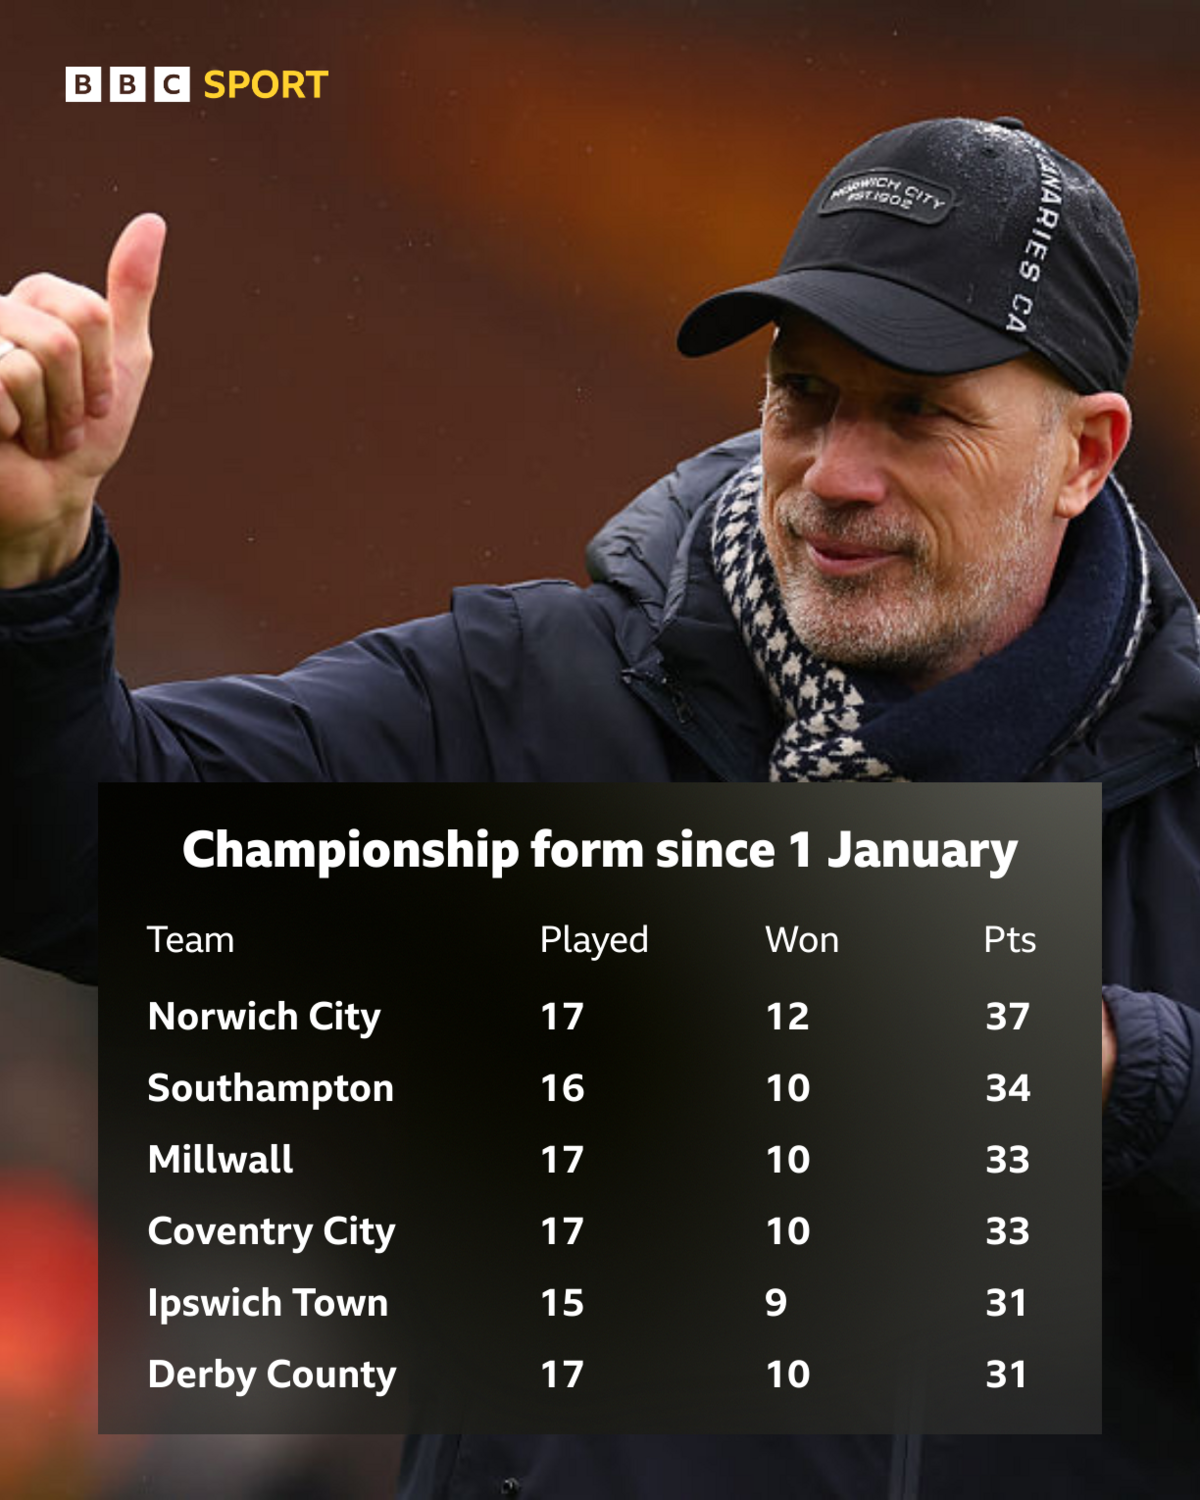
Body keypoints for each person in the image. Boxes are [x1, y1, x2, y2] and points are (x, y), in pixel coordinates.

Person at [2, 116, 1197, 1497]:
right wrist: (36, 583)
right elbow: (83, 858)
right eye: (804, 398)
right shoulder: (534, 701)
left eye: (919, 413)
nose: (837, 476)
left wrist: (1124, 1071)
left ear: (1086, 455)